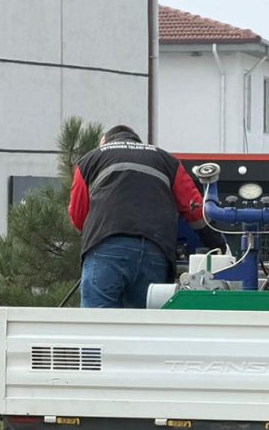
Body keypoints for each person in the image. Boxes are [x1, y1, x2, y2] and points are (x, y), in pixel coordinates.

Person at [68, 125, 226, 308]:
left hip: (106, 249)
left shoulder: (91, 159)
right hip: (154, 251)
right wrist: (219, 245)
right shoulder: (165, 160)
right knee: (144, 326)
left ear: (104, 142)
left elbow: (78, 215)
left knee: (97, 324)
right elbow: (197, 210)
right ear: (138, 142)